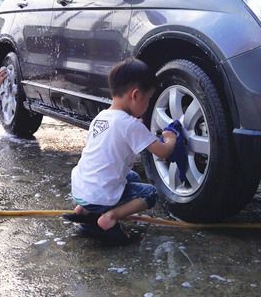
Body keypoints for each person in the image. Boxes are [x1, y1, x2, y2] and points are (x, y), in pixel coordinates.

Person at [67, 57, 184, 244]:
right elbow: (163, 152)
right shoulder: (131, 126)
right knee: (150, 193)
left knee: (132, 177)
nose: (147, 105)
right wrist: (171, 138)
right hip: (101, 195)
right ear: (136, 95)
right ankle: (110, 217)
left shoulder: (102, 117)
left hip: (80, 190)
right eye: (148, 99)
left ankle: (83, 211)